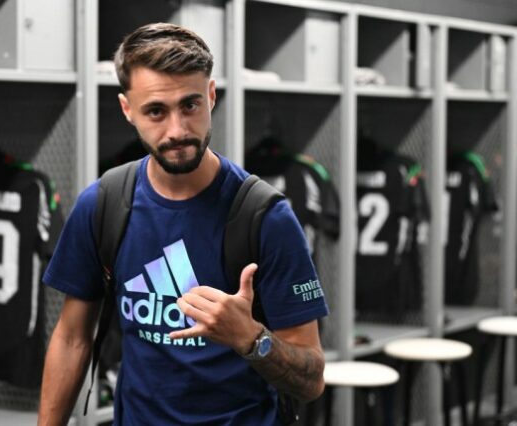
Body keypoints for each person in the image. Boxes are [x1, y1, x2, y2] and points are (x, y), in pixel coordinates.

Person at [38, 22, 328, 425]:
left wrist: (250, 338)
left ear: (211, 96)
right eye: (156, 111)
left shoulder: (265, 216)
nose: (177, 130)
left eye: (190, 105)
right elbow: (71, 339)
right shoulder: (103, 203)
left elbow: (311, 380)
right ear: (127, 110)